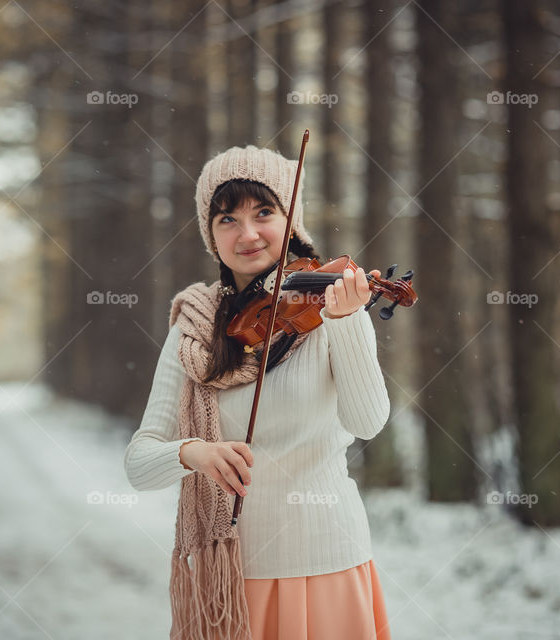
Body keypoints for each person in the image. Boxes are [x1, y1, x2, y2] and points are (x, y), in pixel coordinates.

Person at [124, 145, 392, 640]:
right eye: (227, 218)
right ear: (212, 235)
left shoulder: (331, 305)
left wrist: (348, 320)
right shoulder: (194, 331)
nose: (247, 234)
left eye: (263, 212)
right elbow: (139, 462)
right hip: (231, 578)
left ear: (291, 220)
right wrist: (192, 452)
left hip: (326, 561)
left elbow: (367, 421)